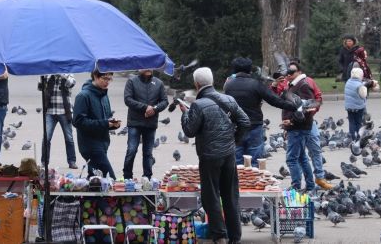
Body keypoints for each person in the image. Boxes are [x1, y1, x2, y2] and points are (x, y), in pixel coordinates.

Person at [180, 67, 250, 244]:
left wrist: (185, 114)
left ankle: (219, 235)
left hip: (209, 156)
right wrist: (233, 141)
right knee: (230, 195)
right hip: (228, 154)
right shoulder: (229, 99)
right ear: (212, 81)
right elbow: (245, 122)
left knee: (211, 196)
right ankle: (235, 236)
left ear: (196, 84)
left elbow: (189, 131)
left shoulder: (198, 104)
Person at [225, 57, 298, 167]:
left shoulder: (228, 86)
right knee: (254, 161)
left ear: (234, 70)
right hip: (254, 126)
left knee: (237, 162)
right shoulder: (256, 84)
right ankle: (254, 183)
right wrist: (294, 107)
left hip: (235, 127)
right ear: (250, 70)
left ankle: (238, 183)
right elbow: (274, 100)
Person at [281, 62, 333, 191]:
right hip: (300, 126)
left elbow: (309, 106)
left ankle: (297, 186)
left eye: (291, 72)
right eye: (287, 72)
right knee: (302, 157)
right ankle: (310, 185)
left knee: (293, 159)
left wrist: (291, 121)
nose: (288, 74)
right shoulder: (291, 84)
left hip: (300, 126)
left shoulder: (303, 84)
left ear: (299, 71)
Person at [122, 69, 169, 180]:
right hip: (134, 122)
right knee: (131, 150)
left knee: (148, 153)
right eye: (145, 66)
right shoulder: (132, 81)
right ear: (140, 68)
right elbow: (128, 99)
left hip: (150, 123)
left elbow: (165, 101)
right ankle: (127, 176)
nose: (148, 68)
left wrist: (155, 109)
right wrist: (145, 107)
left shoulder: (158, 83)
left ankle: (147, 177)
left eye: (150, 66)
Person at [72, 69, 120, 177]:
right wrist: (105, 123)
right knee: (110, 178)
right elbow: (78, 122)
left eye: (110, 79)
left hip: (103, 143)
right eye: (104, 78)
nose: (107, 82)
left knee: (96, 179)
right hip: (90, 145)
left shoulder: (104, 95)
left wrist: (113, 124)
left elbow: (106, 118)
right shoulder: (83, 96)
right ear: (95, 76)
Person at [40, 73, 79, 170]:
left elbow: (71, 83)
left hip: (64, 112)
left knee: (69, 138)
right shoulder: (48, 74)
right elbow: (40, 87)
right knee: (46, 137)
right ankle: (44, 162)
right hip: (50, 111)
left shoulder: (68, 74)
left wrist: (62, 75)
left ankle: (72, 161)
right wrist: (44, 79)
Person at [344, 67, 368, 141]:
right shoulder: (360, 85)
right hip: (358, 107)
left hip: (349, 107)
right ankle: (358, 137)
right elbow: (363, 95)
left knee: (351, 122)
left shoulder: (348, 81)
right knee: (358, 122)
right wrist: (365, 87)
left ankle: (353, 137)